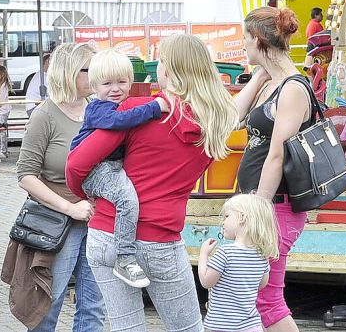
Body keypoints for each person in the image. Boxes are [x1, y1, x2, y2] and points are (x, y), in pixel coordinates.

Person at [66, 34, 239, 332]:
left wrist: (87, 193)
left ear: (169, 71)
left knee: (127, 327)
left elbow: (76, 164)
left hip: (107, 232)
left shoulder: (140, 111)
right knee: (187, 328)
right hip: (161, 238)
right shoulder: (216, 122)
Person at [232, 6, 316, 332]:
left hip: (273, 208)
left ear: (257, 39)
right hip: (260, 205)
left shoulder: (292, 88)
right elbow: (231, 118)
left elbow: (277, 156)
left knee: (266, 301)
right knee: (254, 299)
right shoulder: (272, 83)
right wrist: (258, 76)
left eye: (244, 39)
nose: (242, 46)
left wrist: (258, 210)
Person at [16, 42, 105, 332]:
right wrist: (69, 207)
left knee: (94, 307)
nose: (97, 76)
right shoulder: (45, 115)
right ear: (69, 72)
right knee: (48, 304)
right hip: (57, 222)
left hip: (99, 219)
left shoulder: (99, 110)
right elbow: (26, 175)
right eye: (90, 70)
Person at [69, 49, 168, 289]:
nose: (115, 89)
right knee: (127, 199)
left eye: (122, 82)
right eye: (107, 83)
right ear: (94, 86)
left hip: (111, 165)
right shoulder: (98, 109)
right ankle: (124, 257)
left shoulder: (123, 103)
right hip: (97, 168)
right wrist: (155, 107)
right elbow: (118, 122)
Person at [199, 194, 279, 332]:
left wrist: (203, 255)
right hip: (252, 325)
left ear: (242, 218)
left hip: (224, 326)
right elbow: (262, 284)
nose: (222, 222)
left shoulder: (225, 252)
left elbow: (206, 281)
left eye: (227, 216)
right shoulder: (262, 256)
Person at [26, 51, 51, 116]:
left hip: (32, 108)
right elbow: (51, 94)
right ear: (46, 64)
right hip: (34, 109)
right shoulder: (44, 77)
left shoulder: (40, 74)